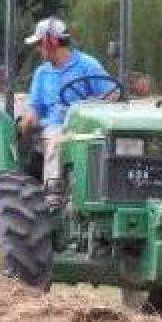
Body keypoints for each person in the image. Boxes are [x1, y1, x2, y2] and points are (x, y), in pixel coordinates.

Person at [20, 17, 116, 201]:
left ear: (51, 43)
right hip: (55, 127)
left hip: (86, 126)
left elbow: (111, 94)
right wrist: (25, 125)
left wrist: (90, 104)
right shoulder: (42, 73)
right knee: (58, 140)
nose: (38, 50)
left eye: (39, 45)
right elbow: (35, 110)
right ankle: (53, 198)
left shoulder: (88, 64)